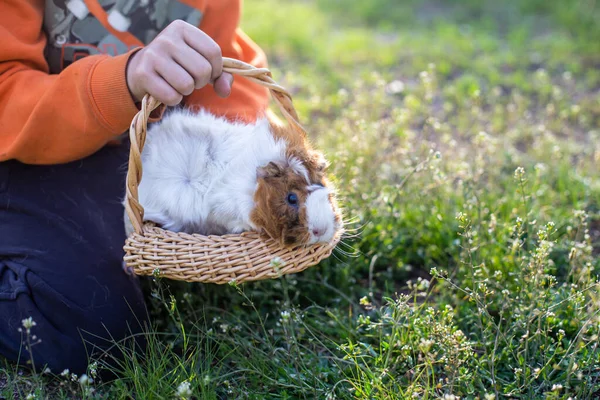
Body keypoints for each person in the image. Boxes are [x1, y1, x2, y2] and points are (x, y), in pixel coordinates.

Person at [0, 0, 269, 375]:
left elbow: (222, 71)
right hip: (20, 146)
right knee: (95, 334)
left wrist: (243, 159)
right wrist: (122, 81)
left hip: (127, 144)